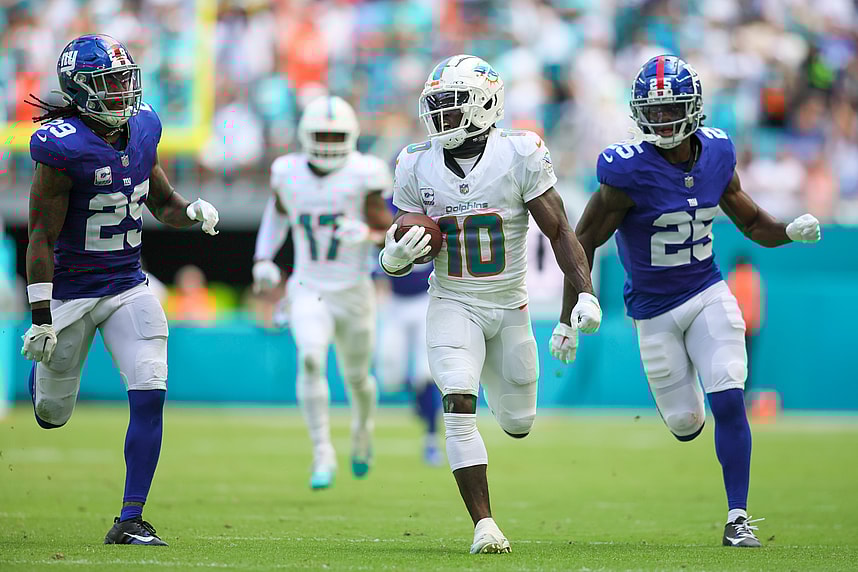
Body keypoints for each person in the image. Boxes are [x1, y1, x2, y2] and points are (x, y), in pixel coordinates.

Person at [570, 55, 821, 548]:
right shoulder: (626, 171)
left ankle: (737, 517)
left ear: (694, 108)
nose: (663, 120)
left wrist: (788, 231)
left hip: (707, 292)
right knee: (687, 424)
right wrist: (574, 306)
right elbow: (581, 240)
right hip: (652, 311)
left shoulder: (718, 154)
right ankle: (690, 419)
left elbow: (751, 223)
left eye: (672, 109)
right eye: (654, 111)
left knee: (729, 394)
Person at [382, 55, 600, 554]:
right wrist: (392, 255)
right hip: (453, 300)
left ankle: (491, 384)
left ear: (485, 106)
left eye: (453, 105)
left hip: (509, 306)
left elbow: (561, 230)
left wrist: (583, 292)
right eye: (436, 106)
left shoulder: (520, 152)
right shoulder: (416, 161)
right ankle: (485, 524)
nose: (441, 117)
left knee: (518, 423)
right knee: (458, 400)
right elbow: (404, 239)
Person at [21, 35, 220, 545]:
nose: (123, 92)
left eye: (125, 80)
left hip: (127, 284)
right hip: (70, 291)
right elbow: (41, 234)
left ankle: (130, 518)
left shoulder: (142, 126)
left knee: (151, 384)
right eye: (110, 84)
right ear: (82, 91)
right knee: (51, 413)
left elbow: (162, 200)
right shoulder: (62, 148)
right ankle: (41, 384)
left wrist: (190, 212)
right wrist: (41, 314)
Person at [251, 95, 393, 490]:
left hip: (353, 289)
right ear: (305, 136)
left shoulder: (366, 173)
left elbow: (393, 235)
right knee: (311, 359)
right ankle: (322, 451)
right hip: (308, 286)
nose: (329, 142)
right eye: (321, 134)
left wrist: (367, 233)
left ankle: (363, 431)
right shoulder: (287, 172)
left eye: (336, 135)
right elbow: (277, 213)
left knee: (358, 377)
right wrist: (263, 257)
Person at [375, 254, 443, 466]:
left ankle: (431, 439)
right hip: (394, 304)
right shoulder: (389, 224)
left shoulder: (435, 222)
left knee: (426, 373)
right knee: (388, 377)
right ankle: (416, 393)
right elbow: (376, 272)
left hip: (425, 300)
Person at [726, 256, 763, 393]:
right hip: (750, 327)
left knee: (734, 364)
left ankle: (737, 393)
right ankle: (743, 394)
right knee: (746, 365)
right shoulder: (753, 276)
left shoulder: (735, 276)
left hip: (738, 327)